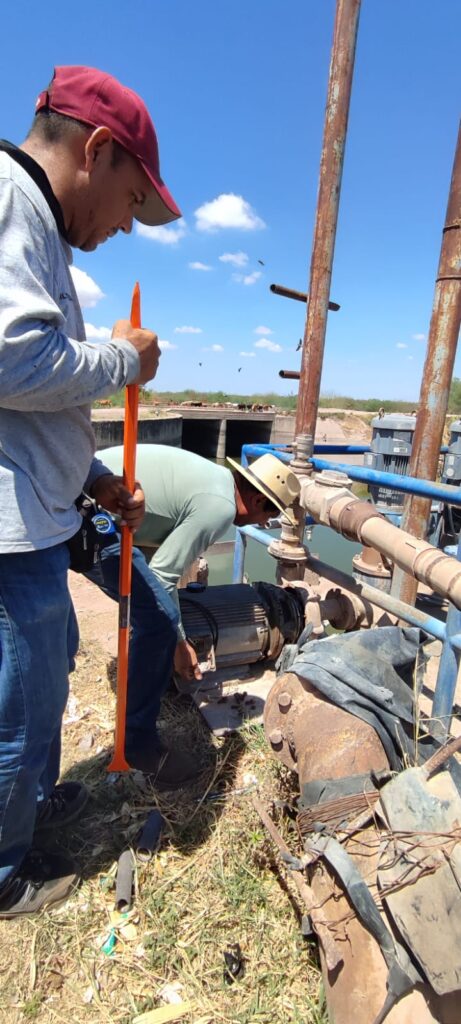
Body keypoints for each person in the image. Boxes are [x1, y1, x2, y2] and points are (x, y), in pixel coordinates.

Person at [0, 65, 181, 917]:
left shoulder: (37, 224)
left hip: (35, 517)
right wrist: (123, 363)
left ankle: (28, 811)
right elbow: (11, 360)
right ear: (97, 149)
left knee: (42, 686)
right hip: (8, 538)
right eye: (129, 202)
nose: (122, 229)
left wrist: (99, 479)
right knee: (12, 709)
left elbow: (27, 410)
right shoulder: (10, 201)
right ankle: (3, 872)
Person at [83, 445, 301, 782]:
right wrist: (181, 644)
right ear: (259, 501)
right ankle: (138, 744)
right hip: (91, 506)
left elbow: (156, 544)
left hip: (80, 487)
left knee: (153, 610)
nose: (263, 523)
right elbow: (163, 575)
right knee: (157, 623)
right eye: (267, 517)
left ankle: (147, 688)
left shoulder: (215, 481)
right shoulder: (220, 508)